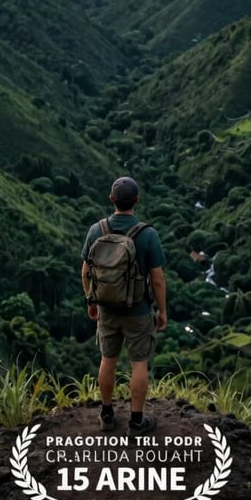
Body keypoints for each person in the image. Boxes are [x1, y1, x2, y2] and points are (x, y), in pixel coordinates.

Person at [81, 176, 167, 434]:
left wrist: (91, 300)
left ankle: (107, 415)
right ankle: (136, 421)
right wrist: (162, 311)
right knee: (138, 364)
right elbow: (158, 279)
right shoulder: (147, 234)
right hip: (138, 310)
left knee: (108, 359)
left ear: (111, 200)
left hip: (107, 309)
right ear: (136, 201)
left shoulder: (97, 230)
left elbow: (86, 271)